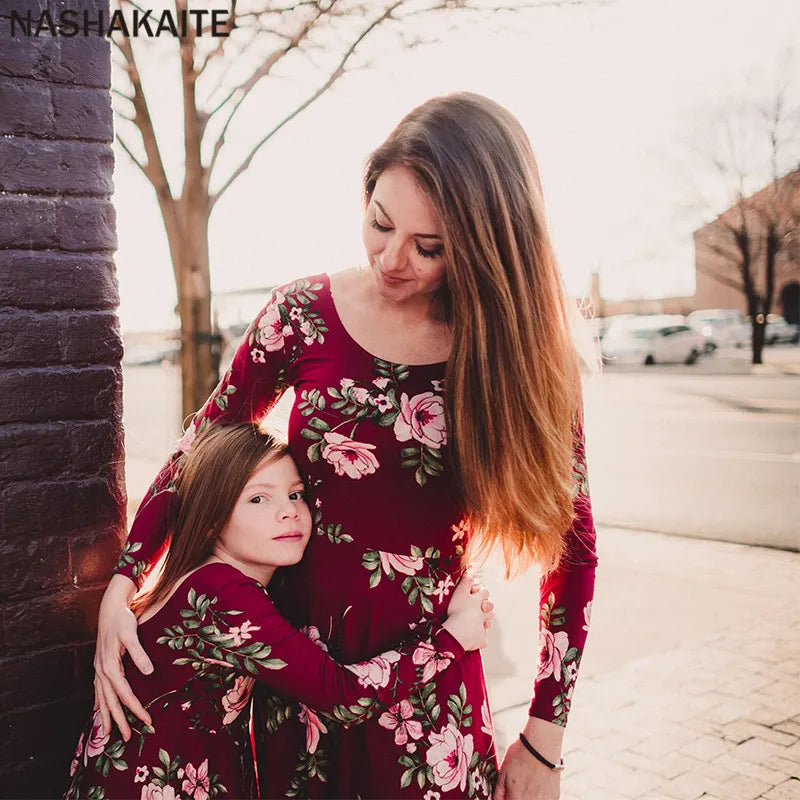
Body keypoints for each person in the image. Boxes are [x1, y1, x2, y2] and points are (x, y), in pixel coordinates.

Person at [96, 92, 598, 800]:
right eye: (380, 223)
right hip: (293, 686)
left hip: (428, 701)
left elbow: (571, 549)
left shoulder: (521, 354)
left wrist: (544, 741)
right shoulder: (301, 314)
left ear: (487, 247)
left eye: (431, 247)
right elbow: (202, 444)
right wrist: (125, 580)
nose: (393, 260)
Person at [68, 422, 492, 799]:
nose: (288, 510)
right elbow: (340, 696)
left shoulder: (213, 581)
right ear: (212, 519)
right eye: (258, 499)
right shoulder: (220, 593)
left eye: (295, 494)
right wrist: (453, 637)